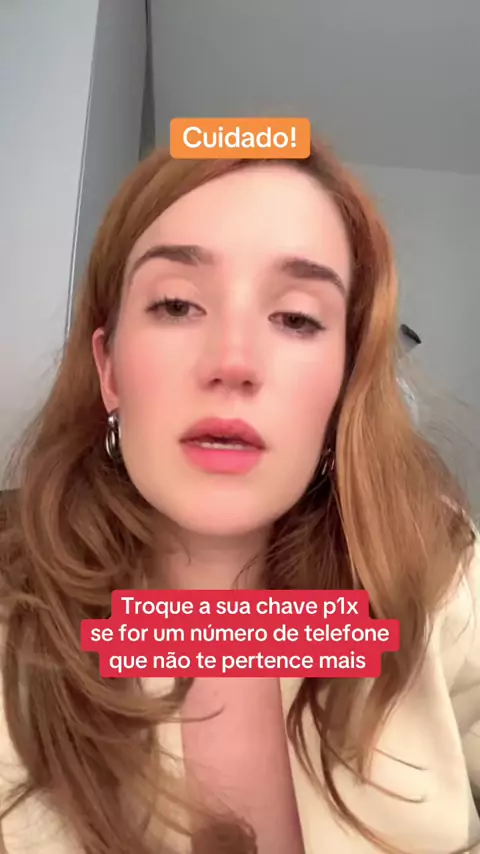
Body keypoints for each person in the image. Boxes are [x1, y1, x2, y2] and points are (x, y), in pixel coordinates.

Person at [0, 138, 479, 854]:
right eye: (176, 304)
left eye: (297, 318)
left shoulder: (441, 574)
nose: (233, 362)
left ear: (344, 385)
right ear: (110, 372)